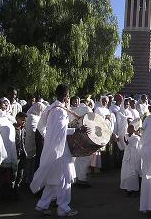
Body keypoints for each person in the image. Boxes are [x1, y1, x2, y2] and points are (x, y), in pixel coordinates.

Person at [30, 84, 90, 216]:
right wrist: (78, 130)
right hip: (60, 151)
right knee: (65, 179)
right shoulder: (60, 111)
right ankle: (63, 208)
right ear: (65, 96)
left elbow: (42, 127)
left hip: (53, 148)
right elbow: (61, 131)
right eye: (68, 96)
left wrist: (48, 138)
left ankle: (42, 205)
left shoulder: (50, 108)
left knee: (53, 178)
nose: (69, 99)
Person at [0, 99, 17, 202]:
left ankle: (7, 196)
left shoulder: (7, 118)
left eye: (5, 105)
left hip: (9, 151)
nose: (4, 107)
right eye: (2, 105)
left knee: (7, 176)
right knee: (0, 176)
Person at [24, 102, 46, 185]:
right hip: (33, 142)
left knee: (29, 162)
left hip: (29, 142)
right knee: (30, 163)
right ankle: (28, 180)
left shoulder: (29, 115)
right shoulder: (33, 117)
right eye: (41, 110)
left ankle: (27, 180)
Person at [118, 124, 141, 196]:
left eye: (131, 128)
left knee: (133, 172)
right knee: (126, 172)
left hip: (134, 157)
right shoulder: (126, 135)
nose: (129, 130)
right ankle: (127, 187)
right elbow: (123, 144)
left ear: (134, 130)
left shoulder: (136, 137)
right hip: (127, 157)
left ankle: (133, 189)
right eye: (128, 128)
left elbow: (131, 143)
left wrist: (128, 141)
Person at [13, 112, 27, 193]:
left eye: (25, 121)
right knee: (14, 174)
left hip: (22, 154)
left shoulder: (23, 129)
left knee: (20, 174)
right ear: (17, 118)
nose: (23, 122)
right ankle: (12, 192)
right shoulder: (13, 129)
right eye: (22, 120)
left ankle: (17, 191)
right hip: (15, 154)